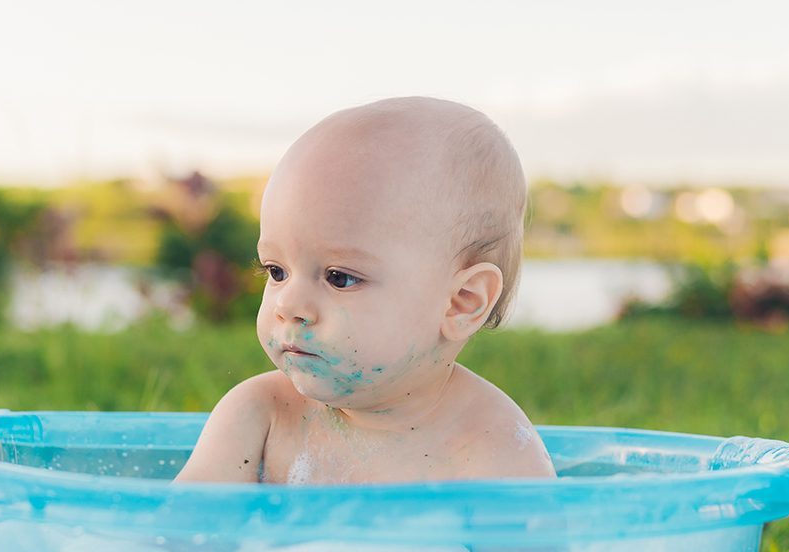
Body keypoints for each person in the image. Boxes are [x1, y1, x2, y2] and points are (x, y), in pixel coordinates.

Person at [174, 96, 556, 484]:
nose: (288, 305)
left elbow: (537, 547)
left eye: (339, 277)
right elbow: (174, 540)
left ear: (461, 303)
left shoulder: (492, 446)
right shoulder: (259, 416)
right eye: (276, 271)